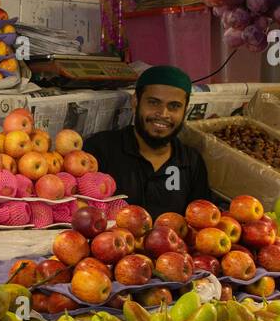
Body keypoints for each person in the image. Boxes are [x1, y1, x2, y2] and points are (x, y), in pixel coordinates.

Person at [84, 64, 213, 219]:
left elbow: (201, 222)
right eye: (154, 102)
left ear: (185, 110)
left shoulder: (191, 161)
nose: (163, 114)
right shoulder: (101, 149)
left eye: (174, 106)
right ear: (135, 102)